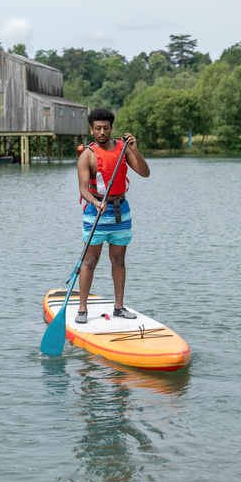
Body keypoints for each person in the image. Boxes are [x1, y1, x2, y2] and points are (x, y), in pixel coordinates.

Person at [75, 108, 150, 322]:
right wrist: (96, 202)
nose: (102, 132)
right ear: (92, 130)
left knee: (118, 261)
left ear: (111, 128)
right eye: (98, 128)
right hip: (95, 212)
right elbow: (83, 189)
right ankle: (82, 309)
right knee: (90, 261)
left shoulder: (123, 149)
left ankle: (119, 307)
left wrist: (135, 150)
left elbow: (145, 173)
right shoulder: (86, 155)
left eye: (106, 128)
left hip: (120, 213)